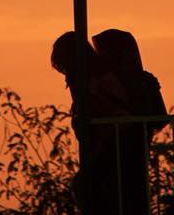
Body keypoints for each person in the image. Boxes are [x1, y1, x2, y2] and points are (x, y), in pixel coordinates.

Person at [91, 29, 167, 215]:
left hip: (121, 148)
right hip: (136, 145)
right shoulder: (145, 78)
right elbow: (161, 117)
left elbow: (158, 116)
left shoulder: (113, 81)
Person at [51, 31, 127, 215]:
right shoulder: (89, 77)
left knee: (91, 187)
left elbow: (110, 110)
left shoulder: (96, 78)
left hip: (114, 139)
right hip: (106, 140)